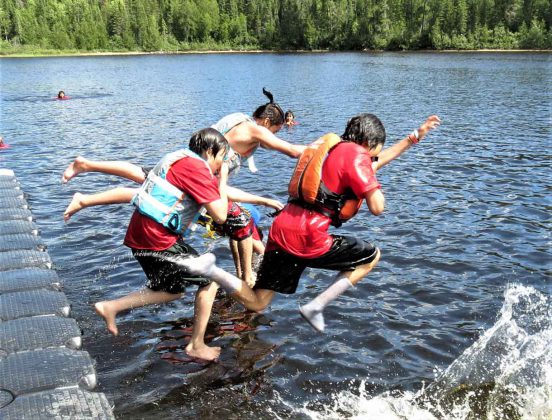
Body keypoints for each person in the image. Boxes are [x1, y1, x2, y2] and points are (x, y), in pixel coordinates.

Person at [176, 114, 441, 334]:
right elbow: (377, 207)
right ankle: (317, 306)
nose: (373, 158)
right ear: (367, 143)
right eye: (374, 152)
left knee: (258, 303)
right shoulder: (356, 155)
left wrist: (413, 137)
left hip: (283, 228)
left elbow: (374, 164)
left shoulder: (333, 152)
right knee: (371, 257)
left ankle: (213, 271)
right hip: (308, 236)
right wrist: (375, 189)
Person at [61, 88, 303, 287]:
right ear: (268, 122)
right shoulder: (254, 129)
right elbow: (292, 151)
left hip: (185, 164)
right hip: (195, 177)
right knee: (241, 221)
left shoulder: (240, 118)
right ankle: (249, 276)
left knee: (142, 183)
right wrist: (328, 147)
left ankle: (86, 175)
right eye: (277, 130)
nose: (274, 136)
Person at [94, 127, 236, 362]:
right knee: (211, 283)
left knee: (171, 291)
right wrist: (222, 180)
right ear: (210, 151)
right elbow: (220, 214)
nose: (221, 165)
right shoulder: (197, 169)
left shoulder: (179, 158)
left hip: (141, 235)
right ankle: (196, 345)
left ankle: (112, 307)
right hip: (156, 239)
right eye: (221, 158)